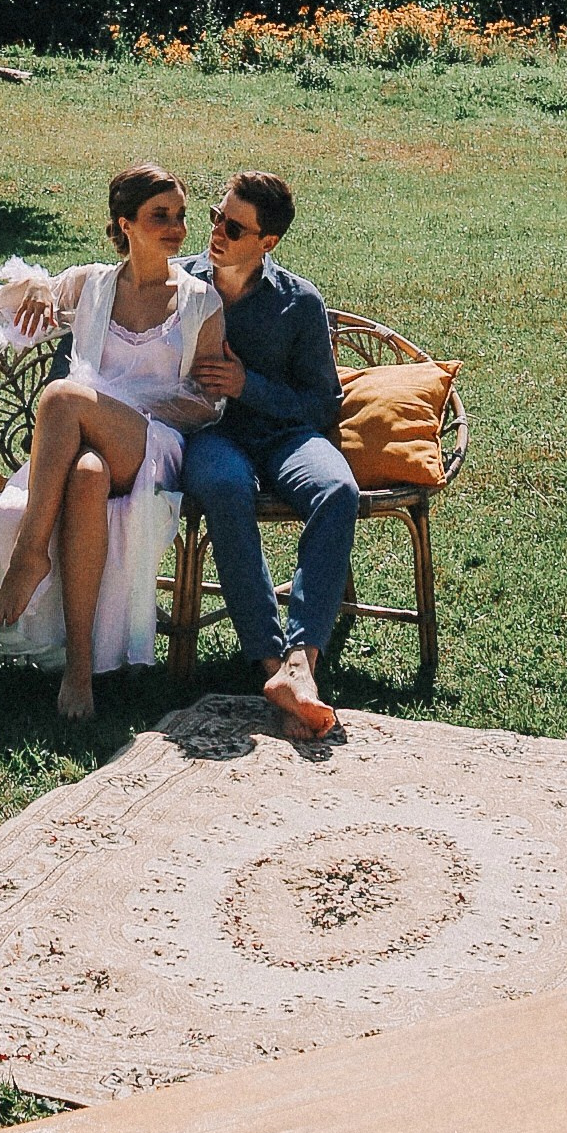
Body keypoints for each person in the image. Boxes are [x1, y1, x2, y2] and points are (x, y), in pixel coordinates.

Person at [0, 165, 221, 720]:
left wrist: (133, 411)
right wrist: (40, 291)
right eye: (159, 216)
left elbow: (210, 403)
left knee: (62, 398)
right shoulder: (91, 284)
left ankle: (30, 554)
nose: (176, 228)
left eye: (180, 216)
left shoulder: (199, 303)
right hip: (86, 450)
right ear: (126, 223)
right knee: (86, 475)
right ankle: (80, 674)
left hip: (154, 445)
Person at [179, 170, 356, 739]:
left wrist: (246, 384)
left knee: (338, 490)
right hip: (210, 436)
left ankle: (303, 658)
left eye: (234, 227)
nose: (217, 233)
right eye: (215, 217)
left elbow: (320, 404)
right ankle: (272, 665)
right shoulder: (177, 285)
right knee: (228, 489)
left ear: (267, 243)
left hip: (283, 436)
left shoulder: (299, 303)